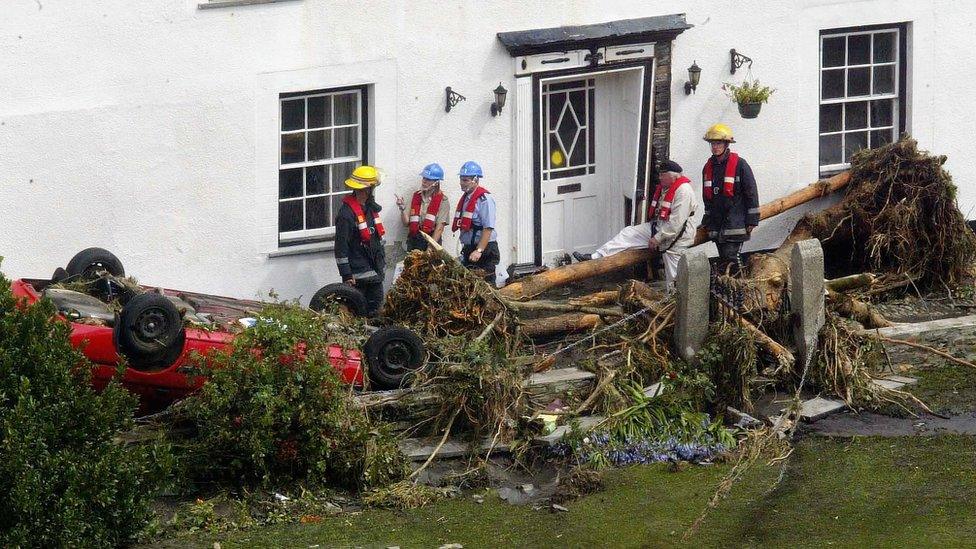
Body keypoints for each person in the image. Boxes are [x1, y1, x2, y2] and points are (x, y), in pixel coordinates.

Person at [572, 160, 697, 292]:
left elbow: (675, 223)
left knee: (674, 274)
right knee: (629, 233)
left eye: (662, 175)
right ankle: (596, 257)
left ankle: (675, 303)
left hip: (678, 236)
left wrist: (657, 238)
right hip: (660, 227)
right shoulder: (666, 187)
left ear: (673, 176)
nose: (659, 178)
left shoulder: (683, 191)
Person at [699, 123, 760, 276]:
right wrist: (707, 219)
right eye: (712, 143)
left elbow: (751, 192)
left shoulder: (740, 165)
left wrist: (752, 219)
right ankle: (731, 289)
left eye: (718, 143)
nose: (714, 147)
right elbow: (707, 199)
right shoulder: (708, 168)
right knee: (724, 259)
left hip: (735, 222)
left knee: (731, 258)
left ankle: (740, 289)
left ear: (726, 144)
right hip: (717, 224)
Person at [334, 165, 386, 316]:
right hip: (358, 277)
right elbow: (341, 248)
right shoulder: (346, 215)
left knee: (376, 313)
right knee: (357, 313)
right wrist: (347, 275)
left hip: (374, 273)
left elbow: (376, 241)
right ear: (366, 190)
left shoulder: (369, 209)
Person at [452, 161, 499, 285]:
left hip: (485, 249)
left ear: (476, 180)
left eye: (466, 180)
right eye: (461, 179)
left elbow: (488, 228)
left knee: (487, 285)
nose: (462, 183)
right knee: (469, 285)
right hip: (470, 248)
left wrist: (479, 251)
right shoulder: (466, 199)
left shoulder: (484, 200)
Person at [395, 163, 451, 252]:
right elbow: (406, 223)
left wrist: (430, 247)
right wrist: (402, 209)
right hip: (414, 241)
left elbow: (439, 228)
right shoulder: (416, 196)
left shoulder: (443, 201)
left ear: (436, 182)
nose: (424, 181)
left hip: (431, 242)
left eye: (428, 179)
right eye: (424, 178)